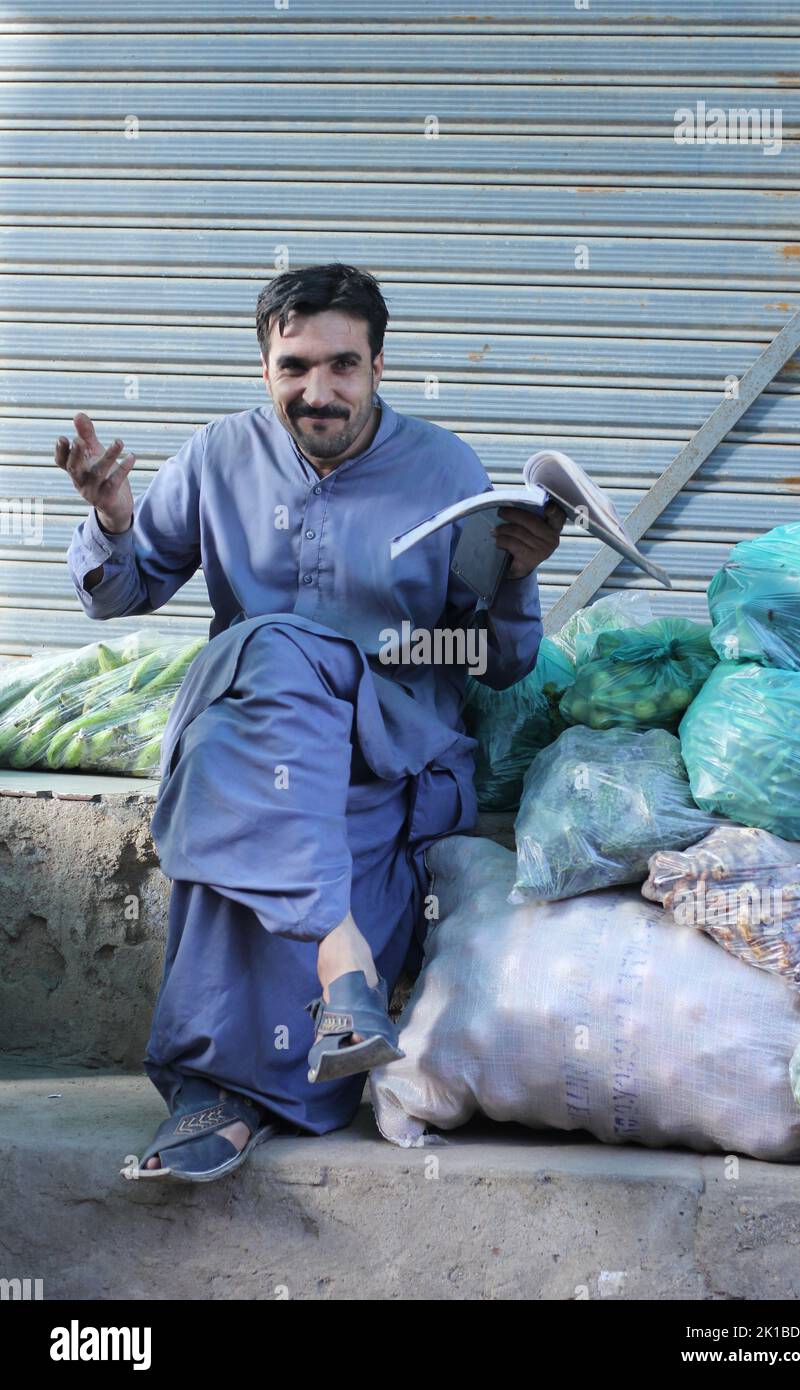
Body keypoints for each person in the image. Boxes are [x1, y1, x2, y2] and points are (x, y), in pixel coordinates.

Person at [59, 263, 565, 1182]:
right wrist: (110, 520)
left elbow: (499, 662)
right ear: (264, 369)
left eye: (342, 367)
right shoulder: (217, 455)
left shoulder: (444, 467)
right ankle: (343, 977)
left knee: (246, 813)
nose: (318, 392)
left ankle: (224, 1092)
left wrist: (520, 575)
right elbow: (122, 593)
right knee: (272, 662)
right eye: (295, 367)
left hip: (385, 743)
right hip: (251, 725)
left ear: (379, 364)